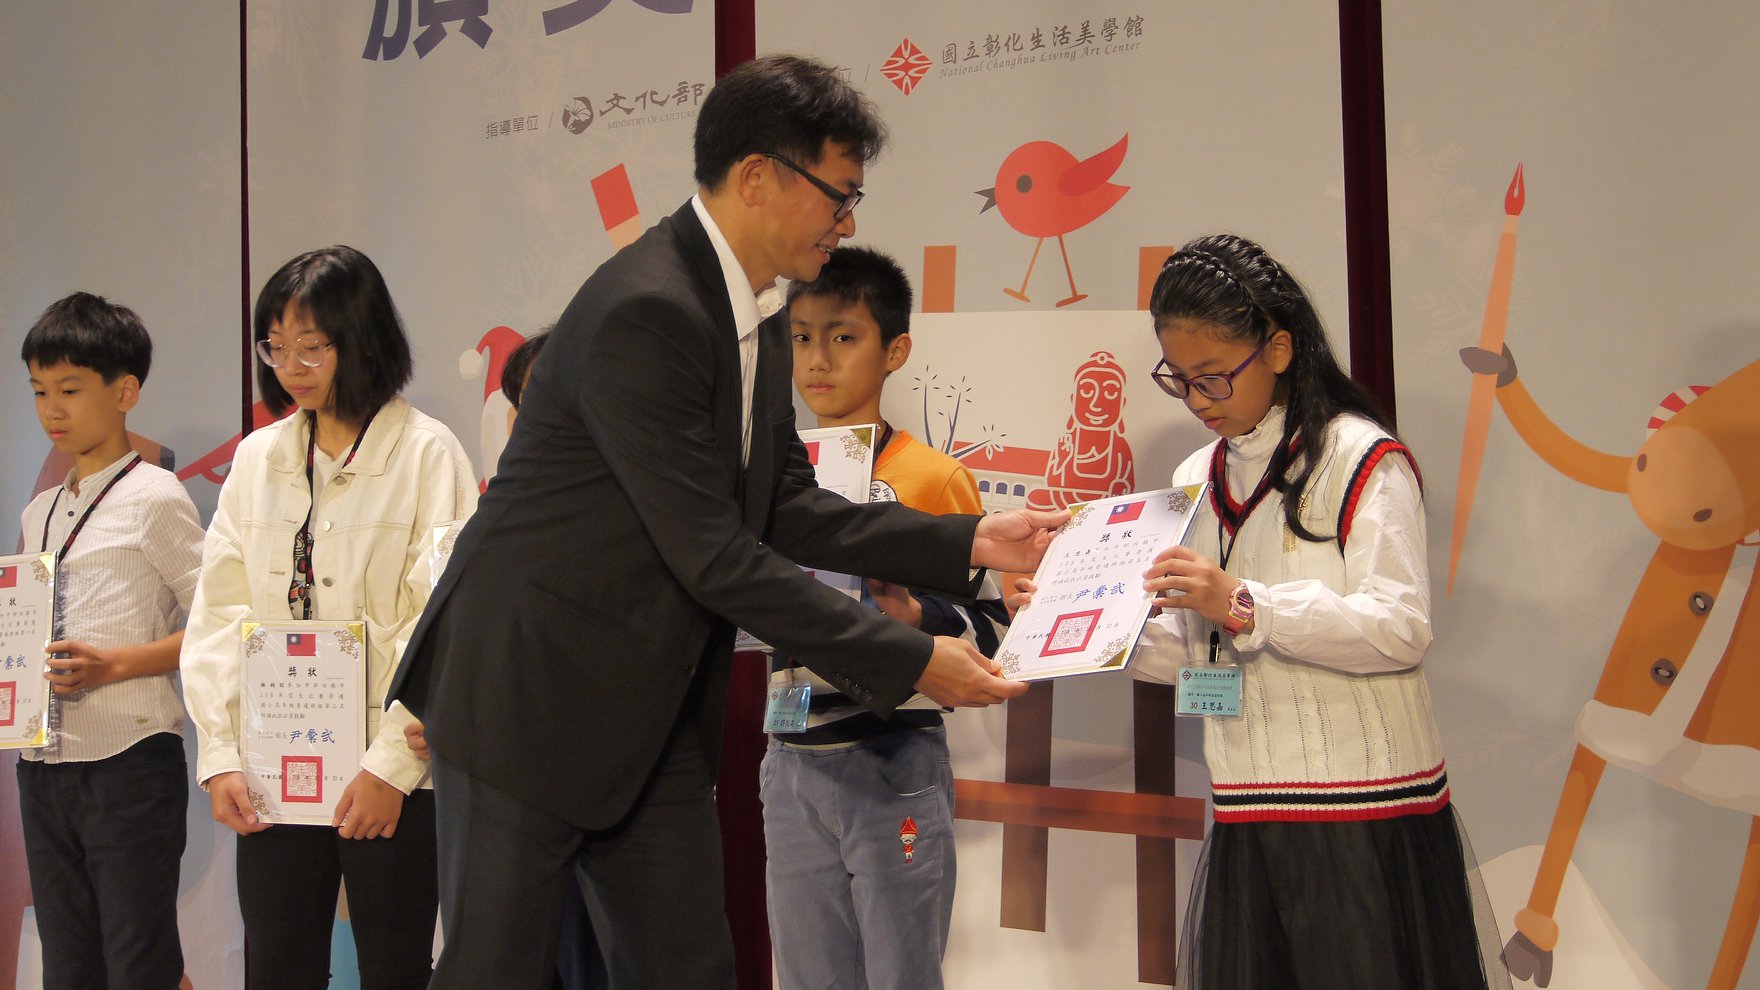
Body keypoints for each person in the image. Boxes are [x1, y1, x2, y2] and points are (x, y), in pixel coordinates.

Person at [387, 53, 1062, 990]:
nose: (848, 221)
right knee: (493, 971)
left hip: (645, 710)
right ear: (758, 177)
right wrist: (908, 657)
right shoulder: (650, 308)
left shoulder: (753, 315)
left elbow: (784, 503)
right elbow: (712, 552)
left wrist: (967, 541)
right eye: (840, 194)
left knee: (689, 969)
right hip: (526, 698)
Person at [1114, 234, 1508, 988]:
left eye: (1214, 377)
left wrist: (1243, 603)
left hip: (1362, 809)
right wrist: (1080, 629)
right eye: (1179, 379)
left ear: (1281, 349)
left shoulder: (1362, 457)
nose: (1197, 400)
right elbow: (1194, 652)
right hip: (1249, 808)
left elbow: (1400, 627)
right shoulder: (1195, 473)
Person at [181, 246, 478, 990]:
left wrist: (391, 767)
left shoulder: (425, 452)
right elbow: (221, 611)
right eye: (275, 347)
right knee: (277, 967)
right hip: (278, 769)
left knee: (393, 968)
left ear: (363, 337)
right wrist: (219, 755)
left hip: (390, 781)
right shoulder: (259, 460)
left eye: (311, 346)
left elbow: (442, 619)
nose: (291, 366)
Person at [765, 246, 1005, 990]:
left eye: (843, 337)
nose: (818, 360)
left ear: (894, 349)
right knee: (805, 976)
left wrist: (915, 618)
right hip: (788, 750)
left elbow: (993, 627)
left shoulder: (933, 478)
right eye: (802, 337)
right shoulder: (765, 479)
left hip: (892, 753)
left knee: (901, 974)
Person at [16, 293, 205, 990]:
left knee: (139, 959)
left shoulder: (156, 495)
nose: (51, 409)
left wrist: (114, 664)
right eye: (39, 391)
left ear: (124, 392)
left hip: (129, 761)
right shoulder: (39, 511)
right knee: (68, 963)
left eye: (70, 389)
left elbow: (217, 625)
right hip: (43, 763)